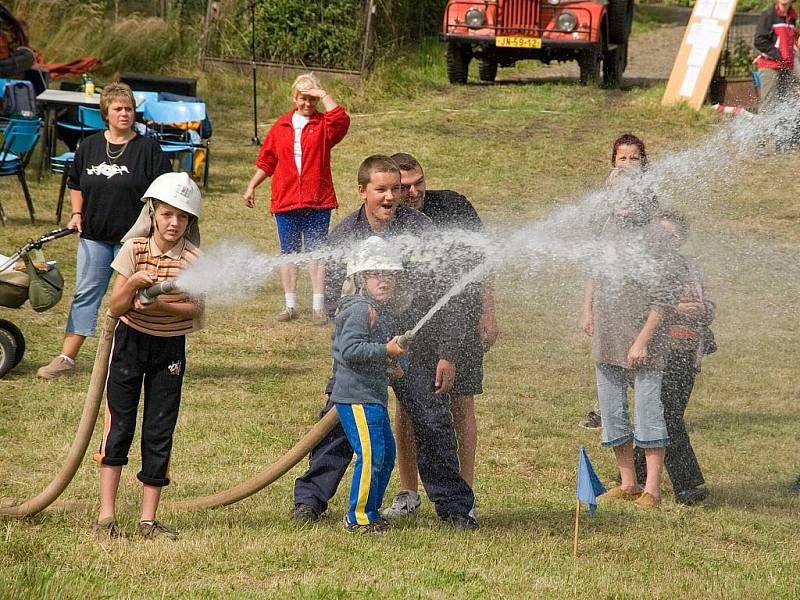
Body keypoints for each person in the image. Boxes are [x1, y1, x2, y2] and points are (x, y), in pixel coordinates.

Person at [292, 155, 478, 530]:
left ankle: (455, 508)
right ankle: (310, 501)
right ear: (363, 192)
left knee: (433, 421)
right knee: (340, 422)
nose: (392, 196)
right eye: (382, 189)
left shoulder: (421, 228)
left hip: (416, 346)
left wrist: (446, 354)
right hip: (362, 346)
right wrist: (368, 326)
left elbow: (450, 295)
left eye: (396, 188)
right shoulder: (345, 236)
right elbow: (330, 298)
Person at [381, 152, 498, 518]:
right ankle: (407, 493)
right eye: (405, 187)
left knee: (462, 401)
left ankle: (465, 493)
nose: (414, 192)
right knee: (407, 404)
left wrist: (488, 312)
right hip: (412, 329)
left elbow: (485, 260)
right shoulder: (391, 220)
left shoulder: (454, 206)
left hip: (459, 320)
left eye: (419, 184)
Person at [92, 172, 204, 540]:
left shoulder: (194, 258)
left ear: (191, 221)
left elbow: (196, 312)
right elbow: (116, 305)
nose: (174, 223)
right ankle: (106, 518)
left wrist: (160, 300)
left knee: (159, 429)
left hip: (169, 349)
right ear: (153, 212)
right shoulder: (134, 250)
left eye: (183, 217)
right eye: (168, 214)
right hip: (129, 343)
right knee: (119, 425)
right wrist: (136, 285)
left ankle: (148, 521)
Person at [37, 82, 171, 379]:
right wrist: (76, 213)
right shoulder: (90, 146)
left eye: (129, 109)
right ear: (106, 113)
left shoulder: (148, 149)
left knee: (132, 298)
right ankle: (66, 358)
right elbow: (75, 183)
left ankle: (129, 358)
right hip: (94, 237)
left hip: (134, 240)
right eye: (118, 109)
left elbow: (166, 191)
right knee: (86, 294)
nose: (125, 114)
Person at [581, 134, 682, 509]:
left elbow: (665, 297)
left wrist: (642, 340)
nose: (623, 204)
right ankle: (628, 482)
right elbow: (593, 268)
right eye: (618, 197)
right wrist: (587, 309)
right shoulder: (606, 228)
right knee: (612, 411)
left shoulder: (656, 236)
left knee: (648, 411)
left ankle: (653, 489)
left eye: (630, 197)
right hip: (608, 332)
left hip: (645, 340)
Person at [243, 72, 350, 325]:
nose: (307, 104)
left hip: (317, 200)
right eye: (303, 98)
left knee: (316, 253)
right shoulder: (280, 127)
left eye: (312, 99)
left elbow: (342, 120)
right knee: (289, 253)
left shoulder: (324, 126)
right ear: (294, 97)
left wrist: (323, 94)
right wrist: (251, 186)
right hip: (286, 200)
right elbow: (267, 161)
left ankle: (317, 307)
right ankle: (290, 306)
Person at [633, 211, 714, 505]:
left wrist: (699, 310)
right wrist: (676, 309)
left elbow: (708, 306)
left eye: (669, 235)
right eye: (658, 233)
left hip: (684, 353)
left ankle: (675, 483)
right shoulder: (645, 265)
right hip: (653, 350)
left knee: (666, 415)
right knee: (656, 412)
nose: (662, 239)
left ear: (679, 240)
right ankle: (659, 480)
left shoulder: (689, 268)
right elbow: (640, 304)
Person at [578, 134, 654, 431]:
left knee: (637, 356)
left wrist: (634, 212)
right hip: (607, 299)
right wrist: (587, 308)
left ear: (643, 163)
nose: (627, 163)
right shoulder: (604, 207)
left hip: (637, 298)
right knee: (607, 355)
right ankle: (604, 410)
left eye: (634, 158)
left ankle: (653, 410)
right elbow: (593, 263)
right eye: (622, 158)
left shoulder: (648, 202)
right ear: (612, 162)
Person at [332, 236, 407, 533]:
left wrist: (391, 366)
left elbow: (371, 351)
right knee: (372, 454)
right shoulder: (360, 309)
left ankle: (371, 511)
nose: (384, 280)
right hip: (357, 397)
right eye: (376, 273)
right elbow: (350, 351)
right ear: (362, 277)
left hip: (372, 396)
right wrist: (385, 352)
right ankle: (358, 517)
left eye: (390, 274)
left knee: (386, 454)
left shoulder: (379, 310)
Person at [754, 0, 798, 153]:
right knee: (768, 105)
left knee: (785, 105)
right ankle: (761, 143)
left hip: (787, 68)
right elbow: (759, 41)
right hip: (770, 67)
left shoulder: (792, 16)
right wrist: (779, 56)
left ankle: (782, 142)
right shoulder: (768, 14)